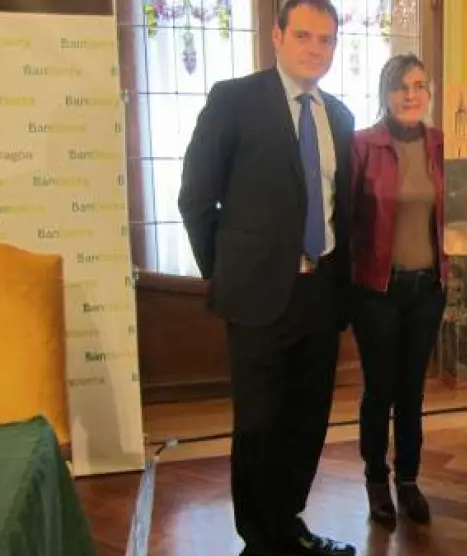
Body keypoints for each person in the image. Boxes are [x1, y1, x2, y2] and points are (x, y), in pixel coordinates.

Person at [178, 1, 356, 554]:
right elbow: (195, 199)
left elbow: (340, 209)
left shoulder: (340, 117)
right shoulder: (234, 101)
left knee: (307, 419)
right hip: (256, 296)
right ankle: (259, 541)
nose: (315, 48)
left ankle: (288, 525)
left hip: (320, 292)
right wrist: (226, 273)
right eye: (303, 35)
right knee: (258, 425)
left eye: (326, 39)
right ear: (277, 36)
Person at [348, 54, 448, 529]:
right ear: (385, 93)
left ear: (429, 92)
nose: (411, 94)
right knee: (380, 391)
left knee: (412, 392)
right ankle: (376, 480)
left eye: (419, 85)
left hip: (428, 289)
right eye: (401, 86)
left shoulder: (443, 145)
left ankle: (408, 481)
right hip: (377, 291)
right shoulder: (363, 146)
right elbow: (345, 219)